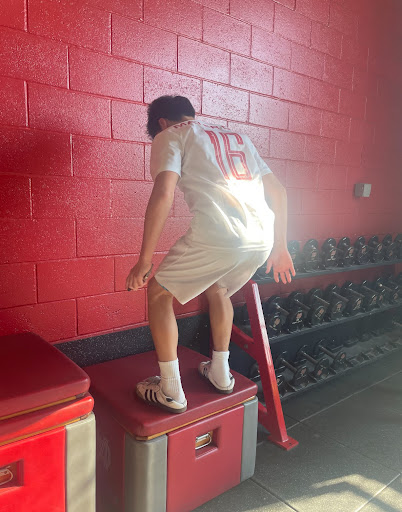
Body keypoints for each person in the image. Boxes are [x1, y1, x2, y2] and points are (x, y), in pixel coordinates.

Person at [126, 95, 295, 414]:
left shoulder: (171, 135)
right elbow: (279, 191)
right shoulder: (237, 136)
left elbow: (163, 194)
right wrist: (281, 246)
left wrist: (145, 260)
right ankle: (220, 372)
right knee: (218, 289)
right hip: (261, 237)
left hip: (220, 234)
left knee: (159, 293)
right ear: (190, 114)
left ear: (161, 122)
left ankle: (170, 390)